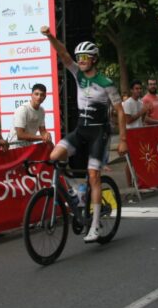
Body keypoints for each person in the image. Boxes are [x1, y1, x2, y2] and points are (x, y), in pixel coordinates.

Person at [40, 26, 127, 243]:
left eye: (86, 57)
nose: (81, 60)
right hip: (81, 130)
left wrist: (123, 139)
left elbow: (119, 111)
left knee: (94, 175)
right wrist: (50, 36)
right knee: (53, 157)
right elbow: (63, 54)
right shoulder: (78, 75)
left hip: (99, 132)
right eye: (79, 57)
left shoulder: (106, 83)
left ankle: (96, 225)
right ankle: (75, 195)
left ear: (94, 59)